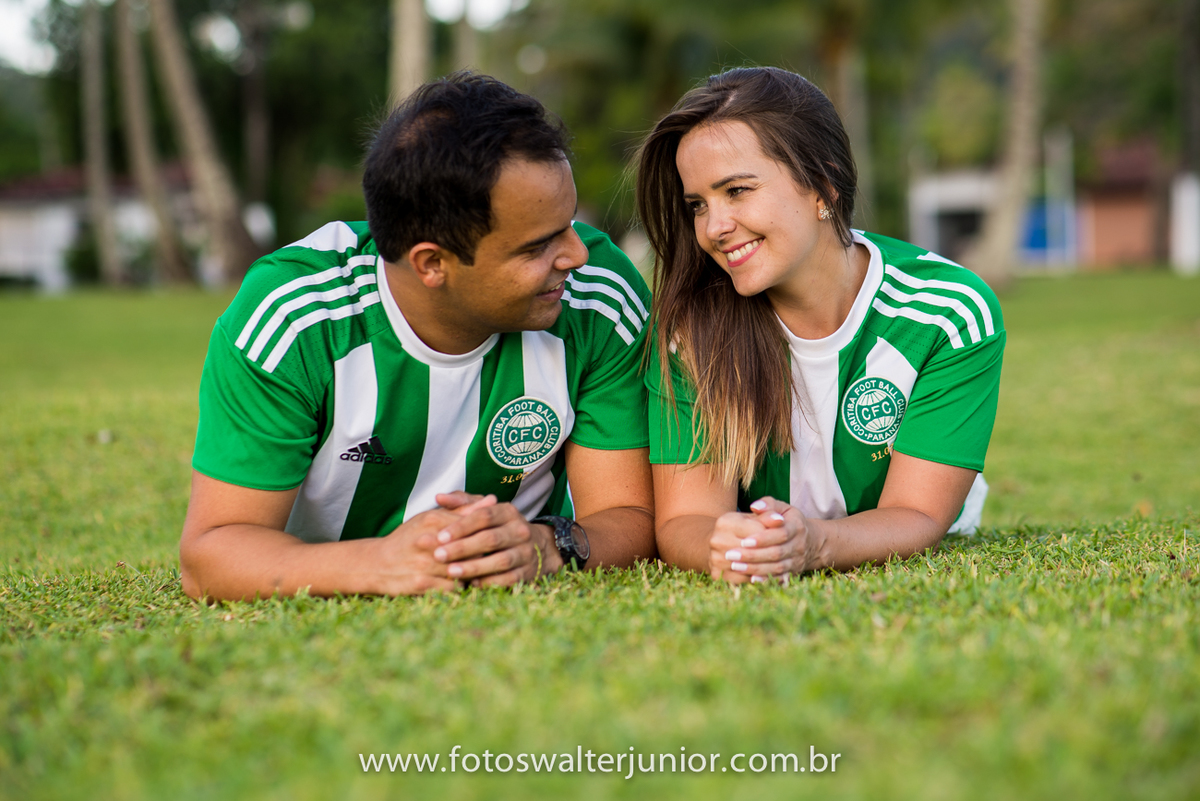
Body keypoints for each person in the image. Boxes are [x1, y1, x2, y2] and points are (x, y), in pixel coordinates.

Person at [180, 73, 654, 600]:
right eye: (537, 246)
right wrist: (378, 563)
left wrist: (547, 546)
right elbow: (211, 555)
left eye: (570, 222)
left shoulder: (597, 295)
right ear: (432, 264)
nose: (577, 254)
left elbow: (628, 515)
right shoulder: (295, 316)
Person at [636, 67, 1005, 583]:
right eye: (698, 205)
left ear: (823, 186)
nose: (714, 228)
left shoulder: (947, 311)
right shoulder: (689, 331)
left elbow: (918, 515)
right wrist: (727, 548)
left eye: (737, 191)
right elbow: (685, 520)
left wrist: (813, 545)